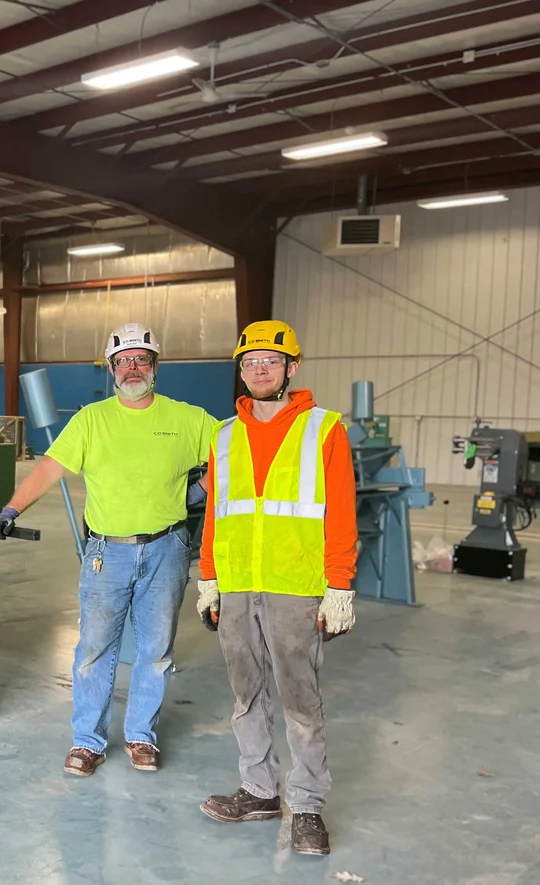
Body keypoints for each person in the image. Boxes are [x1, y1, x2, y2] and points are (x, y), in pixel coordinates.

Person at [0, 323, 216, 777]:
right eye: (123, 361)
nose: (133, 368)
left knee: (155, 650)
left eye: (141, 359)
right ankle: (87, 741)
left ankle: (140, 736)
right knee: (93, 651)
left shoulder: (189, 419)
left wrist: (203, 488)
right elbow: (50, 467)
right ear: (111, 369)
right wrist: (11, 509)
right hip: (106, 554)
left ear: (155, 367)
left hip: (167, 549)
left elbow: (235, 453)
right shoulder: (92, 420)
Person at [195, 320, 358, 856]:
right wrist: (210, 579)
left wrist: (339, 586)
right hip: (239, 585)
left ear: (291, 368)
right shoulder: (225, 434)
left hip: (295, 585)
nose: (259, 369)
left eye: (270, 360)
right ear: (241, 372)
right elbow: (216, 515)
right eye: (249, 362)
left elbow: (340, 513)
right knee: (247, 694)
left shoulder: (324, 427)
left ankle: (307, 807)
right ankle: (260, 791)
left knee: (299, 698)